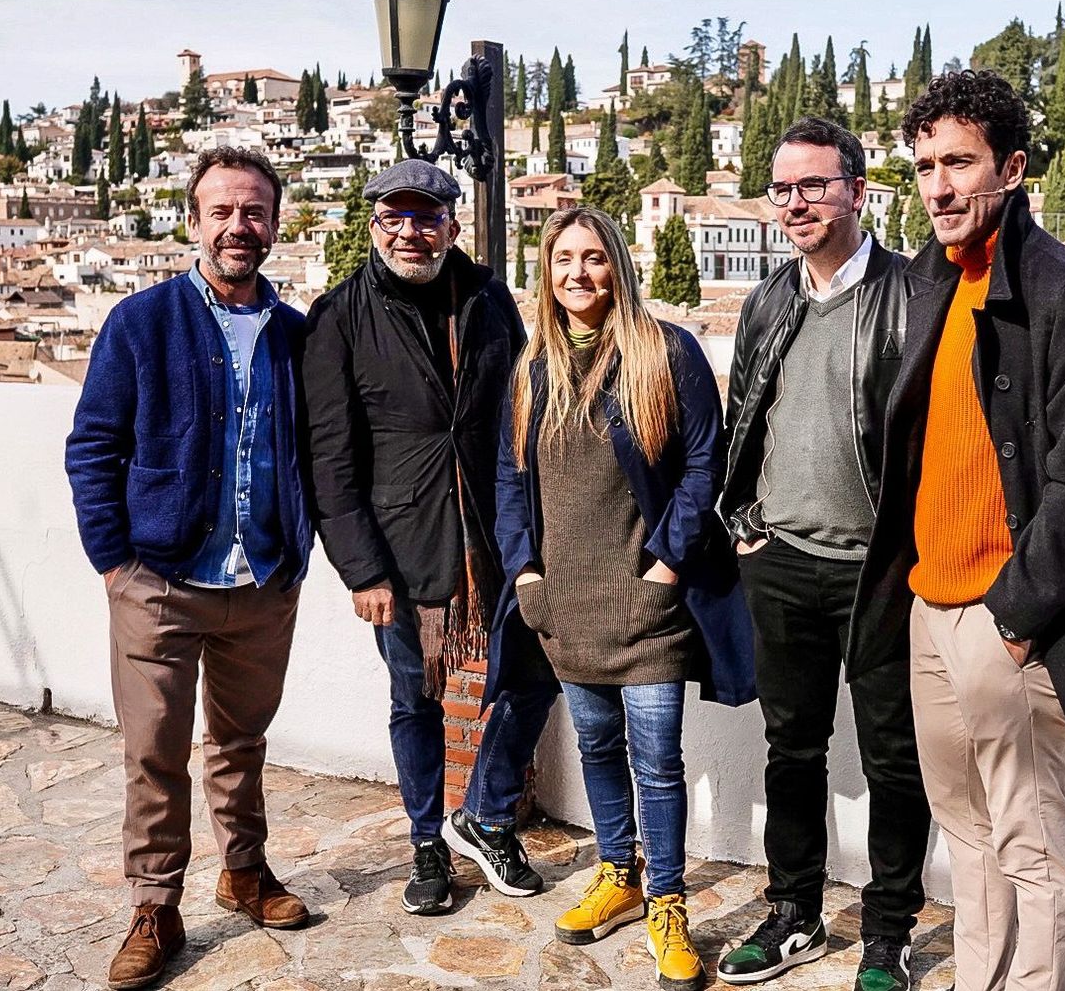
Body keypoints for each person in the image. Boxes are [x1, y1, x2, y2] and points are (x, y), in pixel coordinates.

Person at [856, 70, 1065, 991]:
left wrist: (1015, 615)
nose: (939, 186)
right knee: (965, 834)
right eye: (924, 166)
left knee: (1032, 843)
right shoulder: (927, 281)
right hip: (929, 606)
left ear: (1013, 167)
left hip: (1009, 618)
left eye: (959, 162)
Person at [66, 146, 313, 991]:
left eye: (255, 212)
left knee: (241, 742)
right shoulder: (142, 320)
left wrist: (297, 552)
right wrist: (112, 560)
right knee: (155, 750)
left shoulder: (295, 335)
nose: (239, 226)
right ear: (193, 220)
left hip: (262, 580)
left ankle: (244, 872)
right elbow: (93, 444)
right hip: (160, 581)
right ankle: (154, 904)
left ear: (275, 225)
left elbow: (316, 452)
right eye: (223, 211)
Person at [494, 206, 754, 991]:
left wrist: (666, 568)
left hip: (648, 609)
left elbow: (706, 464)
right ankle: (620, 872)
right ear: (547, 269)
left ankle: (667, 901)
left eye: (594, 257)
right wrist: (526, 575)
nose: (579, 273)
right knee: (599, 748)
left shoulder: (663, 352)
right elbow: (510, 479)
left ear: (619, 267)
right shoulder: (532, 365)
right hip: (565, 607)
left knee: (657, 762)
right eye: (564, 258)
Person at [301, 159, 557, 916]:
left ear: (452, 224)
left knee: (534, 669)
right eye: (395, 217)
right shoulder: (338, 316)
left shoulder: (485, 299)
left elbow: (523, 410)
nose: (410, 232)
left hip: (497, 532)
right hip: (400, 548)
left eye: (426, 217)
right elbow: (330, 458)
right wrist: (361, 570)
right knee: (416, 701)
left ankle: (483, 806)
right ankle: (426, 845)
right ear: (373, 224)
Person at [718, 117, 929, 991]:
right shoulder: (770, 299)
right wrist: (744, 523)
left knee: (893, 756)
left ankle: (888, 932)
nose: (797, 203)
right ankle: (794, 910)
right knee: (790, 747)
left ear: (858, 189)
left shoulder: (913, 295)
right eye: (783, 189)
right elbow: (745, 421)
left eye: (815, 184)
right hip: (782, 562)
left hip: (880, 572)